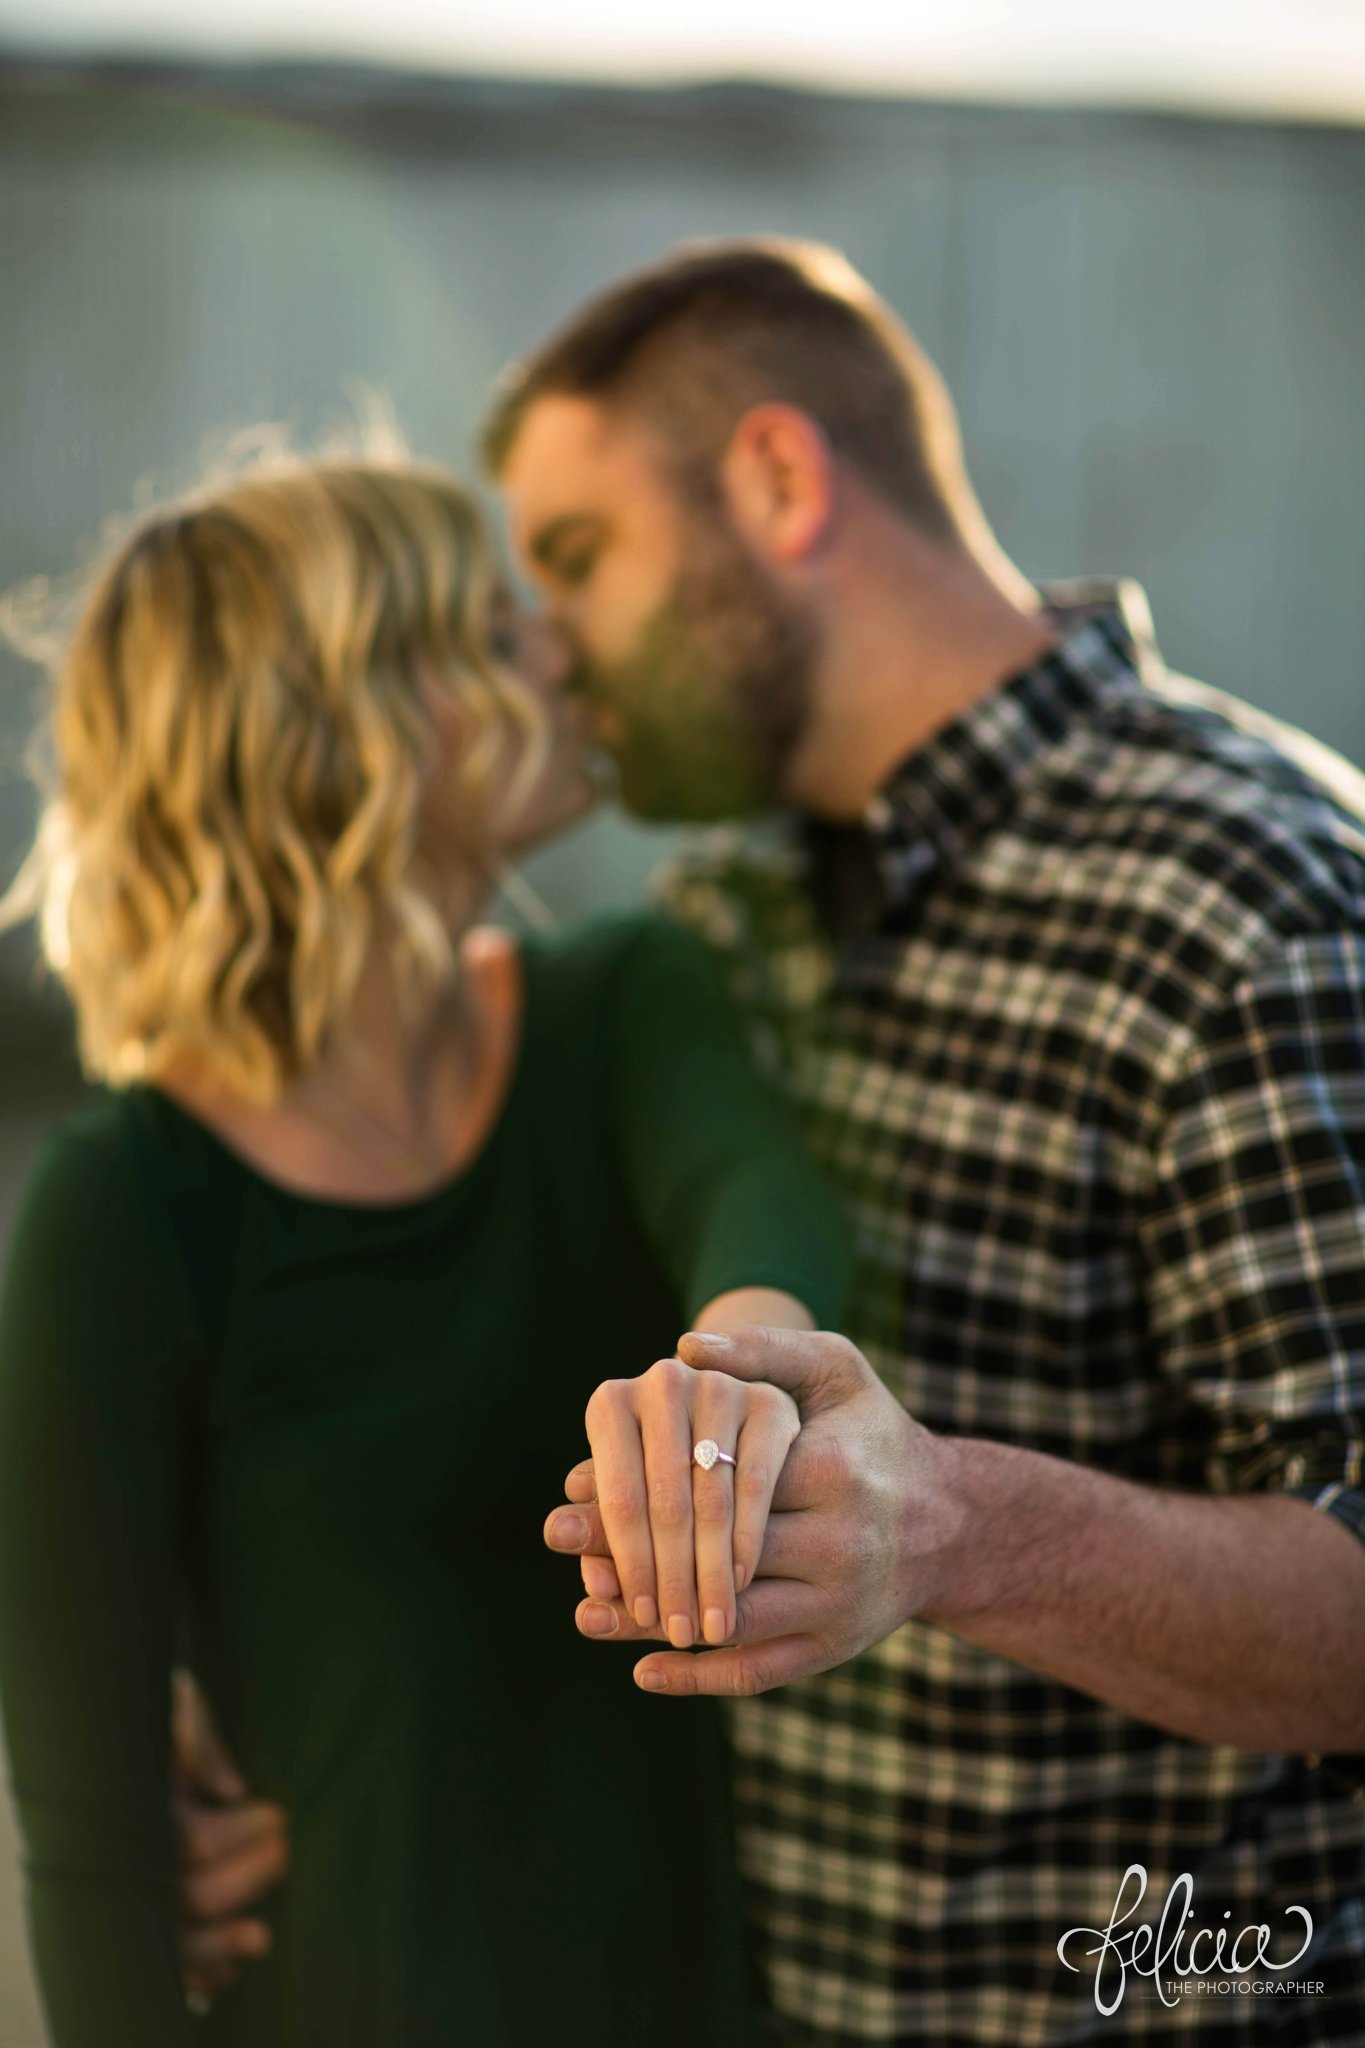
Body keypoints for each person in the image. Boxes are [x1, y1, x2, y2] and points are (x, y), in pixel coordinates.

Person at [0, 441, 852, 2045]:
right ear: (342, 732)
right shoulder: (120, 1209)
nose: (556, 643)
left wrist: (734, 1373)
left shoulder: (622, 998)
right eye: (482, 626)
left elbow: (757, 1197)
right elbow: (96, 1861)